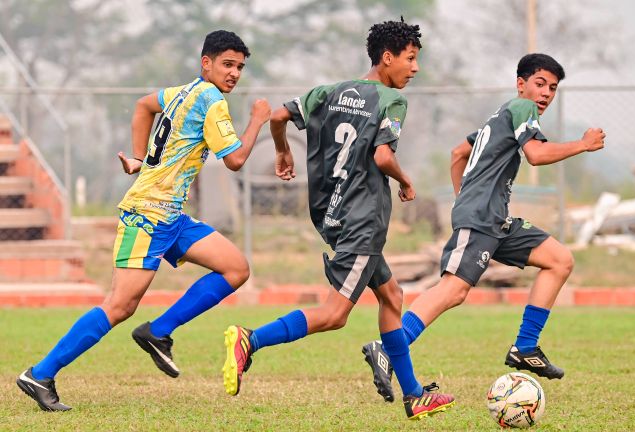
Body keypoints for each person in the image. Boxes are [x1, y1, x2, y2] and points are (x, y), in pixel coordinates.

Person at [17, 30, 271, 411]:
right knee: (119, 305)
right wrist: (258, 120)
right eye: (227, 64)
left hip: (171, 215)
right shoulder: (211, 99)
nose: (235, 73)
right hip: (148, 215)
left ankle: (159, 332)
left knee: (235, 268)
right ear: (207, 63)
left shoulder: (181, 92)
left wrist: (140, 159)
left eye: (240, 67)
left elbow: (142, 105)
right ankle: (40, 374)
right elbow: (234, 160)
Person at [221, 19, 455, 421]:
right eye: (410, 59)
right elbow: (383, 156)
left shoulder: (327, 92)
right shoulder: (390, 100)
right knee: (334, 315)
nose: (415, 69)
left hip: (332, 214)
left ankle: (414, 394)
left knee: (392, 297)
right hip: (362, 221)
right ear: (387, 58)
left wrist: (283, 152)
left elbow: (278, 117)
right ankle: (250, 339)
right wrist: (405, 180)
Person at [362, 53, 606, 402]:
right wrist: (582, 144)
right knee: (453, 290)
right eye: (539, 84)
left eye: (552, 88)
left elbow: (458, 152)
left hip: (496, 220)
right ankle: (388, 347)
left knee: (559, 259)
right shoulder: (521, 109)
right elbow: (536, 154)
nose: (546, 93)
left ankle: (525, 347)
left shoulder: (499, 117)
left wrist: (465, 195)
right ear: (520, 84)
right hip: (481, 219)